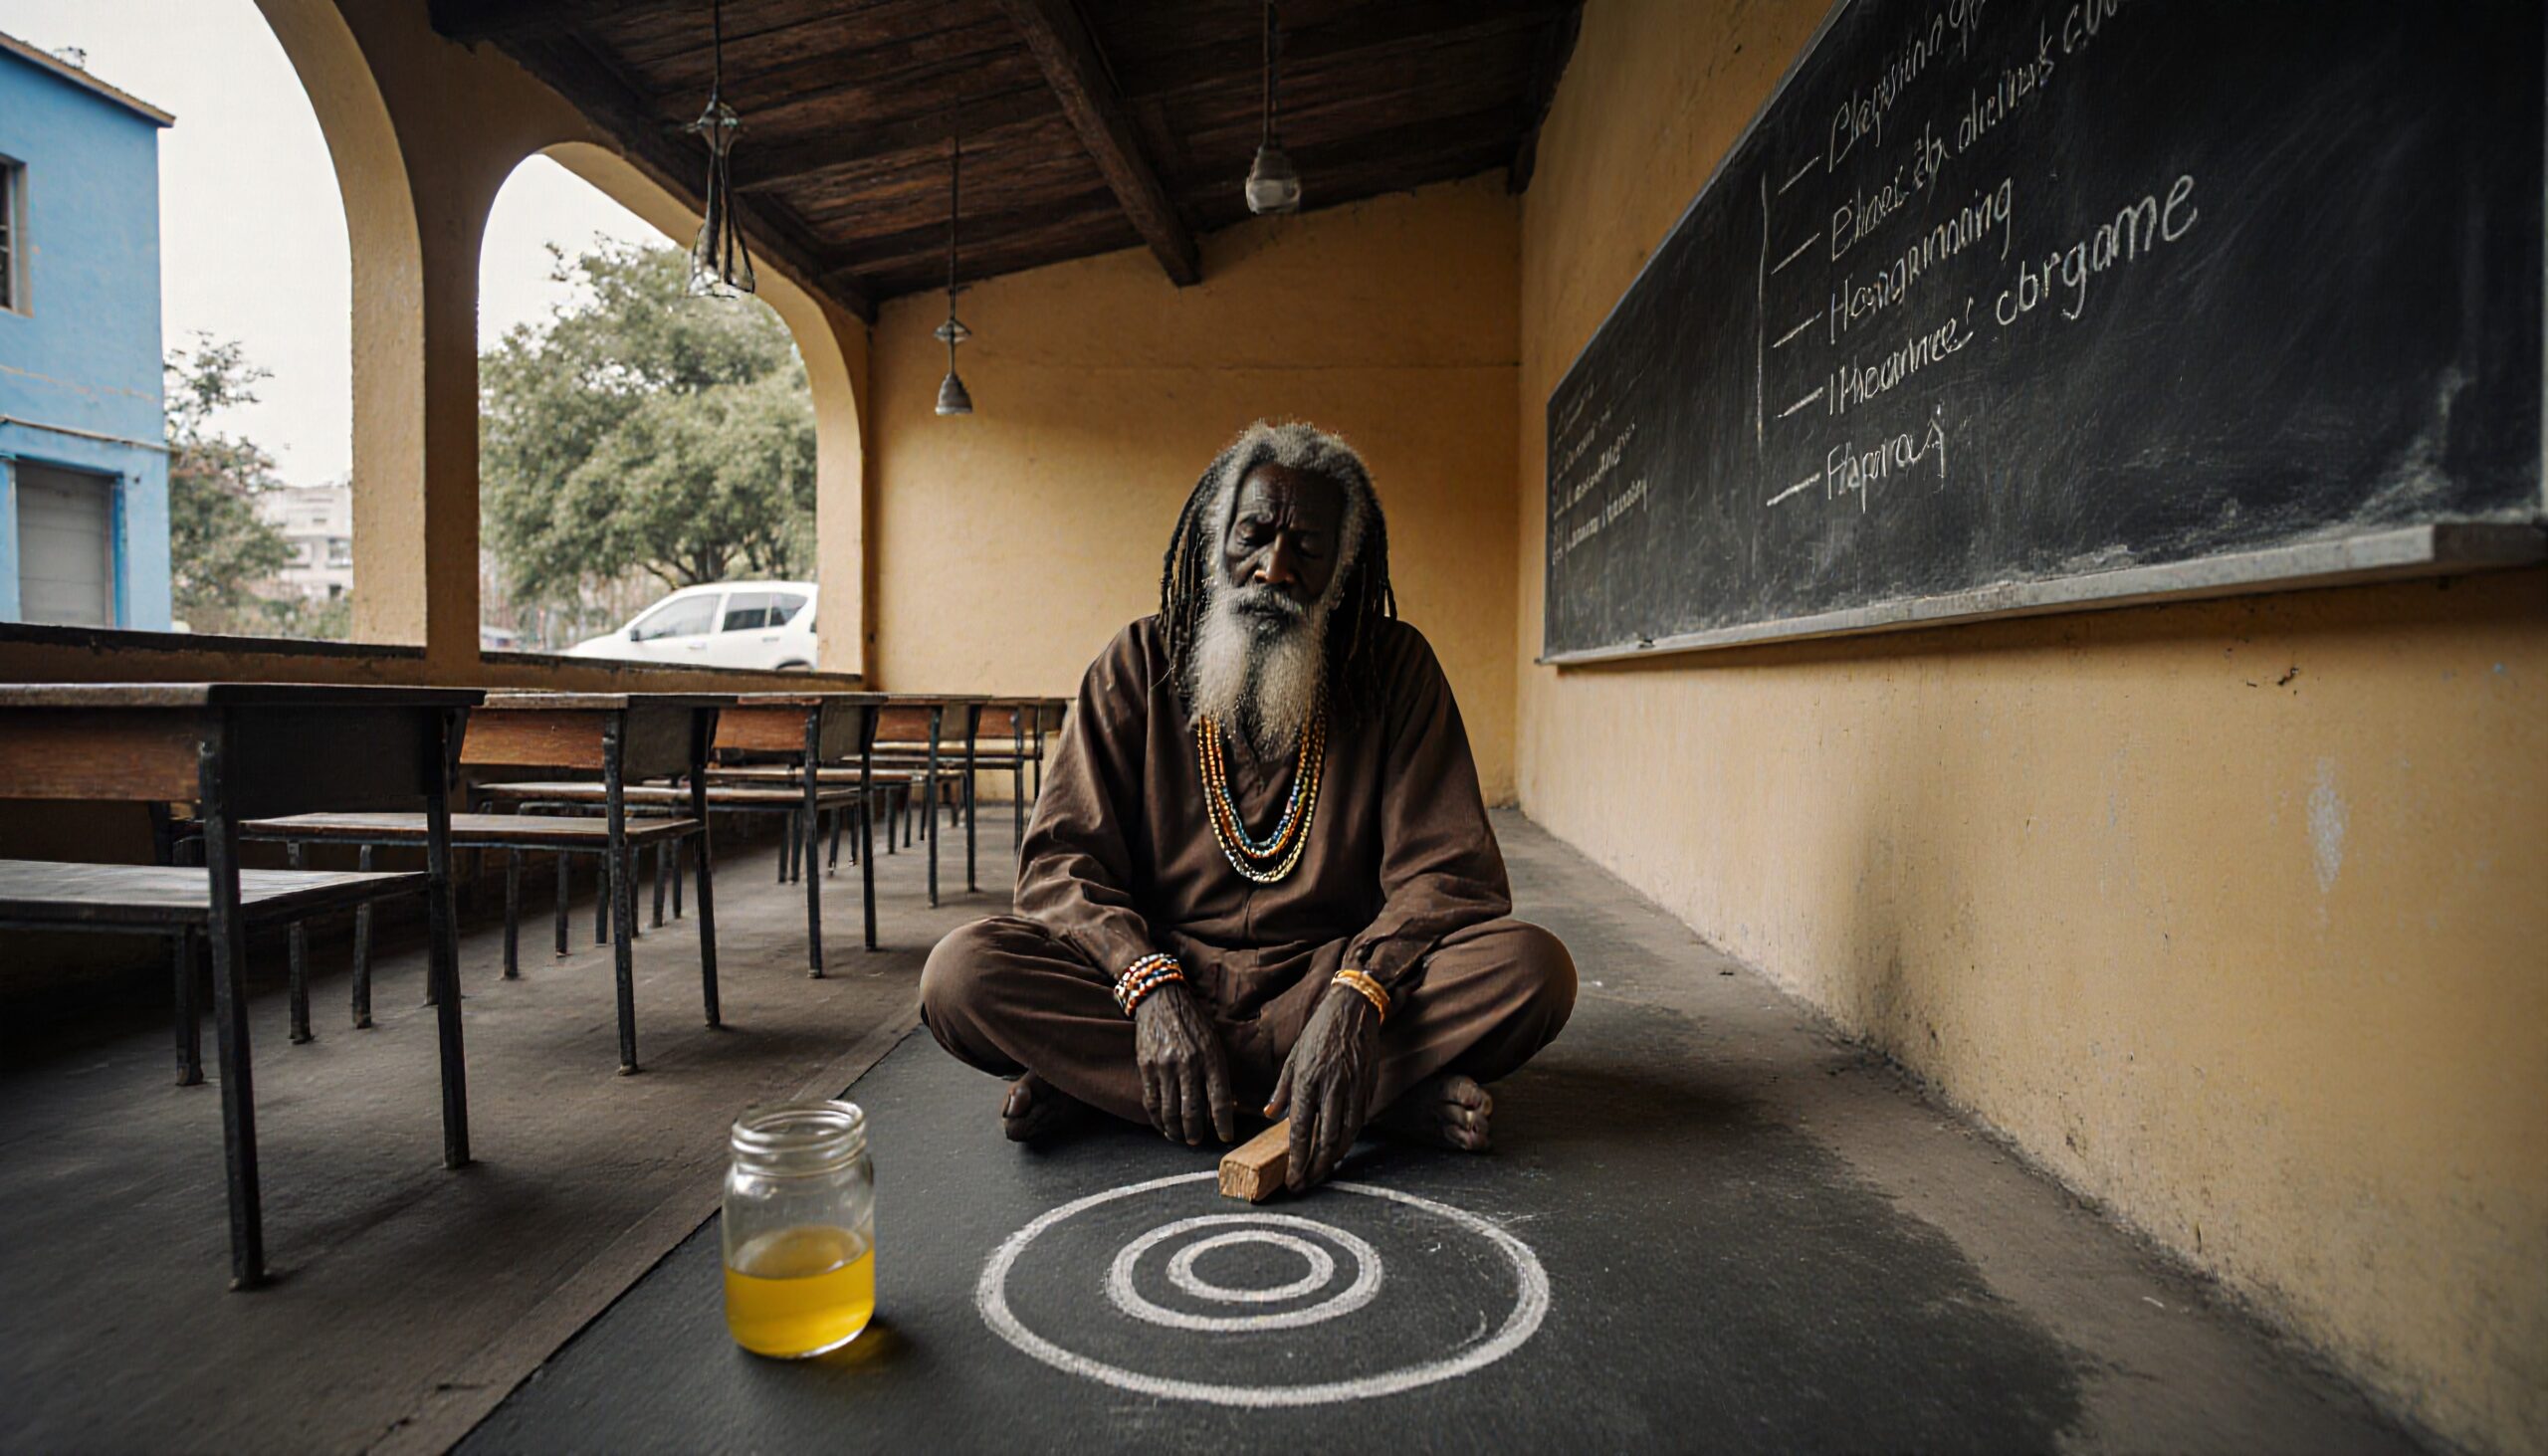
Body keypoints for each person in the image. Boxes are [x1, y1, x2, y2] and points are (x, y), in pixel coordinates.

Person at [920, 421, 1576, 1191]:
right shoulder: (1136, 664)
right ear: (1214, 540)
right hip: (1162, 990)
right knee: (960, 975)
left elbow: (1449, 876)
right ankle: (1370, 1102)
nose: (1274, 569)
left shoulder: (1394, 669)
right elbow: (1062, 868)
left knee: (1534, 970)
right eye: (1253, 536)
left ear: (1345, 563)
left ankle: (1119, 1091)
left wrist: (1358, 996)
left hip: (1334, 988)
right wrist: (1150, 986)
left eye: (1308, 547)